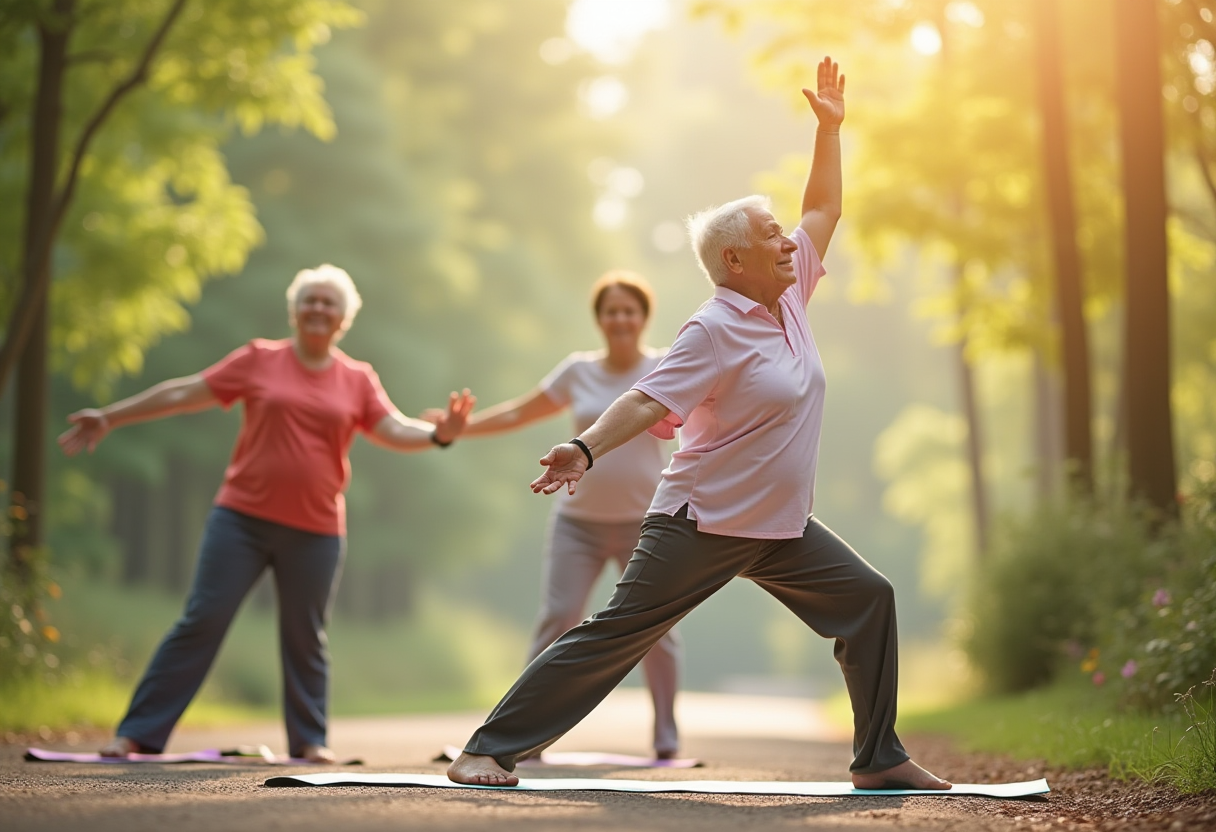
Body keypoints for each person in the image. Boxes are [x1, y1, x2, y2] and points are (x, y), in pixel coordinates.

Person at [448, 57, 951, 790]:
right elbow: (647, 400)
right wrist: (584, 447)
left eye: (786, 235)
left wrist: (829, 132)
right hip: (701, 521)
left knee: (869, 600)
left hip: (780, 526)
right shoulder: (712, 329)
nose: (790, 242)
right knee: (616, 635)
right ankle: (486, 749)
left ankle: (878, 758)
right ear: (735, 259)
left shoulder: (789, 297)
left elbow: (824, 209)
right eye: (773, 235)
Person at [59, 265, 474, 763]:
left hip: (317, 530)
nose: (318, 308)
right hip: (241, 520)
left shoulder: (357, 378)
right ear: (294, 310)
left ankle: (310, 741)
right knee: (202, 619)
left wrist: (439, 435)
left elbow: (394, 428)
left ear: (343, 318)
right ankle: (136, 735)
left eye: (328, 302)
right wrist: (111, 416)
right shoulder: (259, 359)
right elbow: (184, 392)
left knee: (305, 637)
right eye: (310, 299)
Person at [433, 271, 682, 759]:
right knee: (558, 619)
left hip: (644, 524)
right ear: (599, 319)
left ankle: (666, 737)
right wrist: (461, 429)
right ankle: (521, 733)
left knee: (657, 628)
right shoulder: (577, 371)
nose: (620, 319)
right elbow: (517, 413)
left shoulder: (664, 367)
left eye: (629, 311)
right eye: (611, 311)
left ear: (644, 317)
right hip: (578, 525)